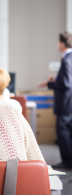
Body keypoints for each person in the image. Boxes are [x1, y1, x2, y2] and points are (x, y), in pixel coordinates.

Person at [38, 32, 72, 168]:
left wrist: (48, 84)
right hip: (69, 104)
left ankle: (67, 162)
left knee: (62, 133)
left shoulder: (67, 59)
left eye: (58, 42)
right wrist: (55, 78)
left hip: (65, 103)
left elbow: (67, 83)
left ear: (62, 44)